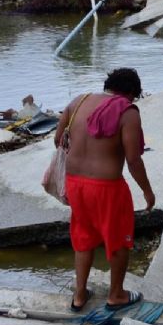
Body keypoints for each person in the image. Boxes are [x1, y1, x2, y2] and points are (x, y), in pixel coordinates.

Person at [56, 68, 155, 312]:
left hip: (75, 184)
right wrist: (147, 191)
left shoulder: (77, 101)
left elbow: (58, 139)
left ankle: (79, 295)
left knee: (83, 239)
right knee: (119, 241)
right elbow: (133, 159)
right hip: (107, 188)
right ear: (131, 92)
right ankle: (116, 295)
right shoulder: (127, 111)